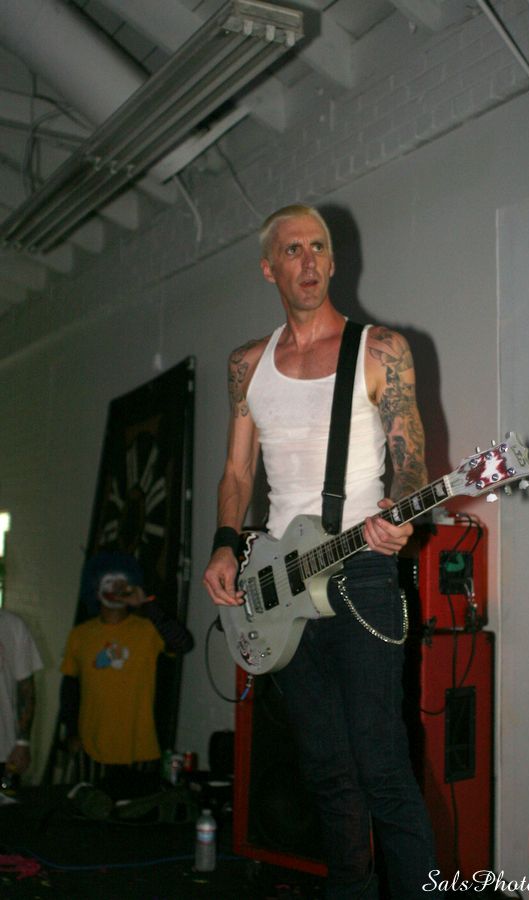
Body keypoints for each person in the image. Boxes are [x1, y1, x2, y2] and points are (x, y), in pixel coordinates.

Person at [203, 204, 439, 898]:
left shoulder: (381, 349)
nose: (307, 260)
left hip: (362, 569)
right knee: (328, 775)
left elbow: (411, 459)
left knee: (382, 769)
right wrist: (224, 546)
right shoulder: (247, 364)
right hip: (278, 579)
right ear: (268, 268)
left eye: (317, 247)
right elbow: (237, 474)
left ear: (333, 262)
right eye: (292, 250)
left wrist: (401, 512)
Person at [60, 551, 193, 787]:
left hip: (140, 746)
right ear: (96, 588)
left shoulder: (148, 630)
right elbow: (70, 687)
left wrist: (147, 604)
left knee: (137, 807)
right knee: (92, 806)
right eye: (110, 582)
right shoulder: (80, 635)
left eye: (123, 583)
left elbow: (183, 643)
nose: (117, 589)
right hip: (92, 746)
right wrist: (71, 733)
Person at [0, 608, 43, 785]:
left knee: (6, 801)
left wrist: (23, 742)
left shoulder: (12, 625)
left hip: (4, 749)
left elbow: (26, 690)